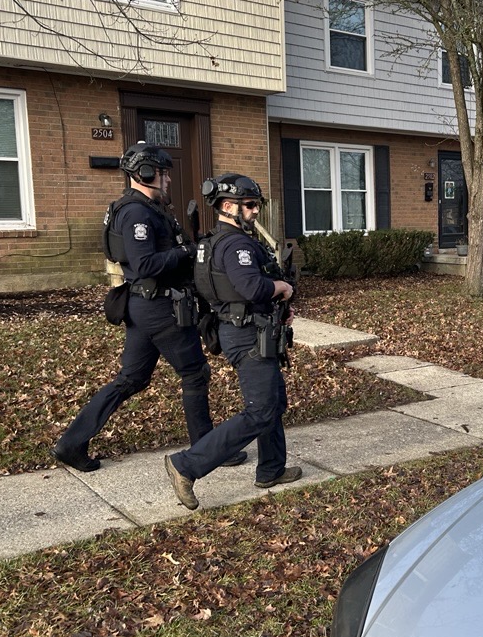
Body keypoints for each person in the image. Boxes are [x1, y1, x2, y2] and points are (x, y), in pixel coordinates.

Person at [51, 142, 246, 472]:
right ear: (144, 173)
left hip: (146, 306)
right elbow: (145, 264)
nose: (167, 179)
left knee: (132, 378)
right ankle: (207, 450)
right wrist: (189, 251)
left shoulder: (146, 207)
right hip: (159, 307)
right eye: (163, 173)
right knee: (195, 374)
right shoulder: (136, 213)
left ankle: (71, 443)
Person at [164, 172, 301, 510]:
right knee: (261, 410)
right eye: (250, 205)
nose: (255, 211)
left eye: (256, 205)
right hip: (247, 335)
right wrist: (282, 288)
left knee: (273, 402)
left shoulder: (210, 242)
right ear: (229, 206)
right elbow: (252, 287)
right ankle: (186, 465)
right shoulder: (236, 244)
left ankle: (271, 469)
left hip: (239, 328)